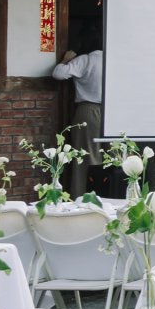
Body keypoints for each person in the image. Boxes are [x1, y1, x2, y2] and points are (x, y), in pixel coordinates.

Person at [50, 21, 104, 198]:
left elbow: (58, 74)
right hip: (113, 112)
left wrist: (65, 60)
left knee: (86, 157)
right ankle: (108, 197)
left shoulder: (85, 60)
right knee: (113, 156)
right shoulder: (113, 60)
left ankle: (82, 198)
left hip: (88, 111)